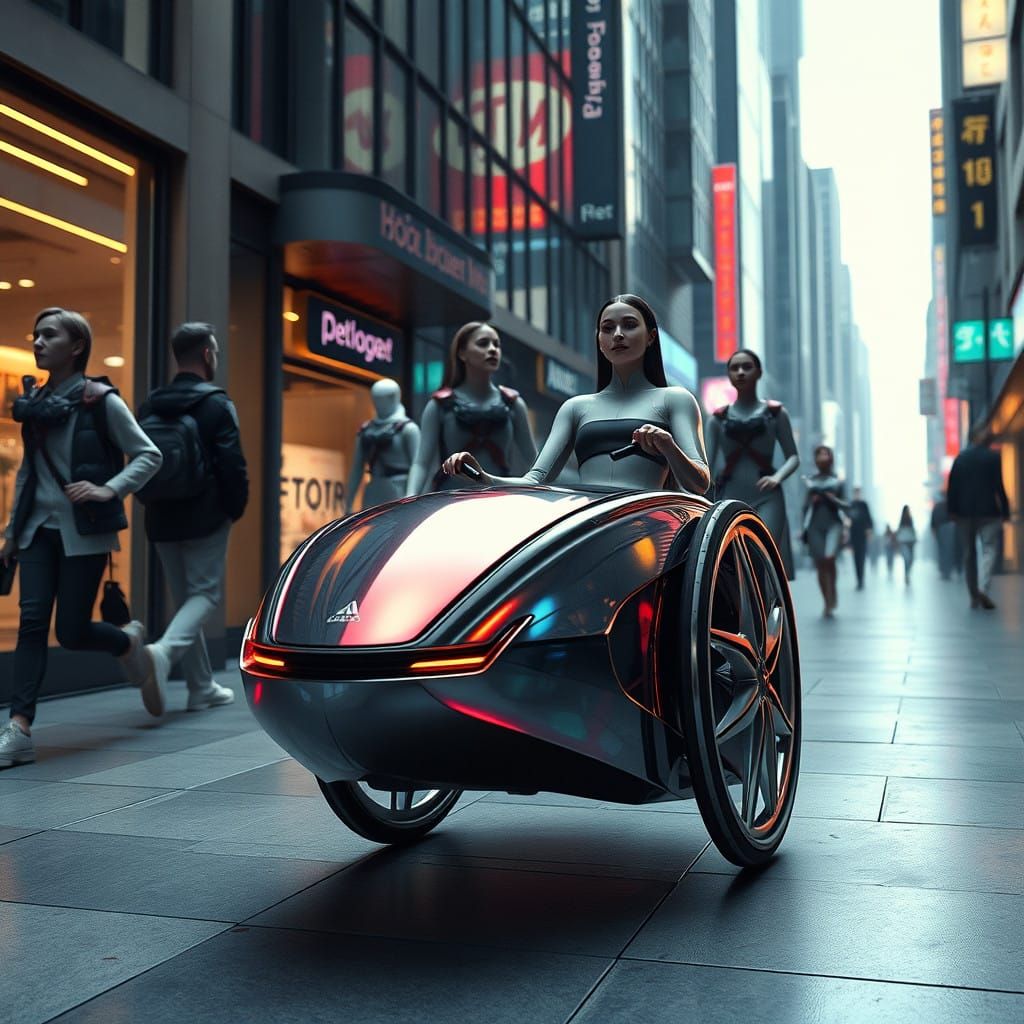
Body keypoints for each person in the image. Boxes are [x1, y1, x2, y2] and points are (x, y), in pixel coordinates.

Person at [0, 308, 161, 767]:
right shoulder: (34, 405)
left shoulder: (100, 400)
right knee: (32, 623)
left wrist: (109, 488)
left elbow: (148, 455)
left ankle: (128, 643)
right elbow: (29, 472)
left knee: (70, 631)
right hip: (36, 532)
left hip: (83, 532)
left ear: (76, 347)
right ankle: (19, 727)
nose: (38, 341)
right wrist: (12, 532)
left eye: (49, 335)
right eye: (36, 335)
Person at [442, 294, 709, 497]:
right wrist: (483, 477)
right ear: (599, 340)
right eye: (607, 328)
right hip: (588, 528)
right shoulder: (575, 408)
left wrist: (667, 445)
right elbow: (536, 479)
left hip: (649, 527)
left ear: (651, 337)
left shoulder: (676, 399)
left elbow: (699, 483)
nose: (617, 335)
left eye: (629, 325)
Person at [134, 322, 248, 715]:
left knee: (186, 597)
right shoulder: (216, 402)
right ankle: (162, 654)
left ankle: (201, 687)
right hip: (206, 513)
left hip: (161, 513)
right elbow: (232, 462)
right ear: (206, 354)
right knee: (205, 595)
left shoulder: (151, 403)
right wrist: (234, 507)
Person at [406, 322, 536, 495]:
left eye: (496, 345)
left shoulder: (512, 403)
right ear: (462, 353)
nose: (492, 350)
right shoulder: (440, 405)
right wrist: (409, 497)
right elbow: (421, 462)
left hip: (499, 501)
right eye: (483, 343)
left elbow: (536, 464)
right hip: (450, 502)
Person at [703, 349, 799, 578]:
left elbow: (793, 457)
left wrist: (777, 478)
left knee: (763, 557)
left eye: (747, 367)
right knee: (735, 564)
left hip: (768, 496)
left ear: (759, 372)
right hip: (729, 499)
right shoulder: (717, 419)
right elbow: (706, 463)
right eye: (735, 368)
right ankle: (743, 613)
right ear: (728, 375)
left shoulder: (776, 414)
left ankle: (766, 610)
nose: (741, 372)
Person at [946, 421, 1011, 609]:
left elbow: (953, 488)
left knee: (969, 554)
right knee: (990, 549)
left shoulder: (960, 459)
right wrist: (1005, 510)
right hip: (989, 511)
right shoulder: (992, 457)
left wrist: (952, 511)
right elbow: (1000, 485)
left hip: (964, 514)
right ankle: (983, 587)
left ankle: (974, 595)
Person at [345, 379, 419, 513]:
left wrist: (412, 494)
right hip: (373, 491)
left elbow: (418, 465)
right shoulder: (365, 431)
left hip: (400, 491)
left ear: (394, 398)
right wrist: (348, 503)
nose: (378, 404)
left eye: (382, 399)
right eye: (376, 399)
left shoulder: (408, 429)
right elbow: (357, 468)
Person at [802, 445, 847, 617]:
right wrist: (812, 501)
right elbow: (804, 507)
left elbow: (846, 504)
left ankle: (832, 589)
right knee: (820, 563)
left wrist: (831, 499)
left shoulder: (838, 481)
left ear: (831, 457)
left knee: (830, 558)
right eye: (819, 454)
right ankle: (827, 601)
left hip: (833, 524)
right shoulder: (810, 481)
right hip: (814, 526)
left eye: (825, 454)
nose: (822, 457)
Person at [847, 487, 875, 589]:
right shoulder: (850, 505)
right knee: (856, 559)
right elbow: (847, 520)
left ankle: (861, 580)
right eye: (855, 493)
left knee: (862, 558)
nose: (857, 495)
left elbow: (869, 519)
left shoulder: (864, 505)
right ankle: (858, 580)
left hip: (862, 536)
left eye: (858, 493)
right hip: (853, 536)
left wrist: (869, 531)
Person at [930, 495, 955, 580]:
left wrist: (933, 529)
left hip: (940, 529)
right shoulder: (948, 505)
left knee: (943, 550)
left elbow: (933, 520)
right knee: (948, 550)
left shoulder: (938, 506)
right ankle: (946, 570)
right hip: (947, 528)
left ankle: (944, 570)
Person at [895, 505, 917, 585]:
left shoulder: (911, 519)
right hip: (904, 543)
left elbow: (913, 530)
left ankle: (908, 573)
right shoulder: (902, 521)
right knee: (906, 559)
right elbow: (899, 532)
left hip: (910, 543)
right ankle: (906, 575)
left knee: (911, 559)